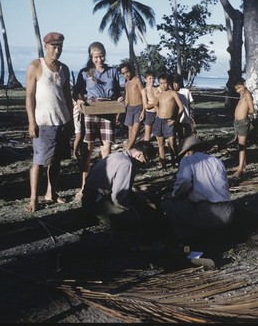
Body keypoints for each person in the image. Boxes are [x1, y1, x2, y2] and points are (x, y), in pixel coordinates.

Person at [25, 32, 73, 212]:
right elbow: (29, 97)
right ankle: (33, 199)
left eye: (60, 47)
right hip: (43, 123)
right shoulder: (35, 66)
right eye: (54, 47)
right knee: (39, 161)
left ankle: (51, 193)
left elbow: (67, 96)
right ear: (46, 47)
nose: (57, 50)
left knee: (57, 161)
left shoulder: (64, 69)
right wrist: (31, 122)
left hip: (62, 121)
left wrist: (71, 122)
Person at [72, 42, 123, 199]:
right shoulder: (84, 73)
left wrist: (121, 98)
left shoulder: (113, 71)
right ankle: (84, 187)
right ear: (91, 57)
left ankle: (104, 187)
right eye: (96, 57)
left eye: (102, 56)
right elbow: (77, 92)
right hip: (90, 111)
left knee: (106, 151)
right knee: (87, 151)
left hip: (108, 111)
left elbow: (119, 91)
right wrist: (79, 100)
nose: (99, 59)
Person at [160, 135, 234, 243]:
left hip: (208, 212)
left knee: (168, 204)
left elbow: (184, 181)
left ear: (188, 152)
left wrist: (173, 194)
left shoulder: (188, 160)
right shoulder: (216, 161)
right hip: (228, 212)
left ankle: (187, 238)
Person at [81, 140, 160, 230]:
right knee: (133, 218)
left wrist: (140, 199)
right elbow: (118, 197)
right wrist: (132, 209)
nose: (144, 164)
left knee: (142, 205)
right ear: (139, 155)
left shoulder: (117, 155)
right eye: (145, 160)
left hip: (90, 197)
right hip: (96, 202)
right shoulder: (127, 164)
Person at [153, 73, 184, 168]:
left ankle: (176, 162)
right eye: (161, 83)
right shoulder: (158, 94)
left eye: (165, 83)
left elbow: (181, 108)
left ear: (169, 83)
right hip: (159, 121)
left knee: (172, 142)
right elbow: (155, 104)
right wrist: (158, 113)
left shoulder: (173, 93)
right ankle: (164, 165)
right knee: (160, 143)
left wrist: (176, 120)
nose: (163, 85)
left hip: (169, 121)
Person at [232, 78, 255, 178]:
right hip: (237, 122)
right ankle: (243, 165)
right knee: (240, 144)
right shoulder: (242, 96)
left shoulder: (247, 95)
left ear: (244, 85)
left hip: (243, 122)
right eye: (236, 89)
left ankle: (240, 168)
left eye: (240, 87)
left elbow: (252, 110)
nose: (238, 90)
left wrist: (244, 114)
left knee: (241, 146)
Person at [120, 62, 144, 150]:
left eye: (127, 72)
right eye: (123, 73)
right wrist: (119, 112)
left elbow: (143, 94)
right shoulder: (126, 84)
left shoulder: (137, 80)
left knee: (134, 132)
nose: (126, 75)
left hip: (139, 107)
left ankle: (127, 150)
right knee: (130, 131)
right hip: (130, 109)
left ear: (130, 71)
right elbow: (127, 99)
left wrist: (143, 110)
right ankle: (131, 150)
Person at [172, 73, 195, 143]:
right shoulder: (170, 93)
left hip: (185, 118)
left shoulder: (185, 91)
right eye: (173, 83)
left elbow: (191, 104)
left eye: (176, 83)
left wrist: (192, 118)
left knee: (187, 137)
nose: (174, 85)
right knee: (177, 136)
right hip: (175, 119)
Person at [141, 70, 160, 141]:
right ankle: (146, 150)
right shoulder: (144, 90)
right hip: (149, 114)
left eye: (153, 78)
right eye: (150, 78)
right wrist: (155, 104)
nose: (152, 80)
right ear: (145, 80)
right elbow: (146, 105)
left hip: (157, 113)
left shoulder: (157, 89)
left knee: (159, 135)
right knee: (147, 136)